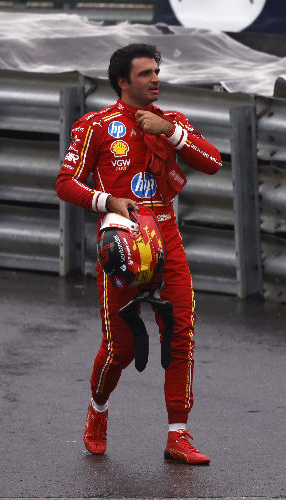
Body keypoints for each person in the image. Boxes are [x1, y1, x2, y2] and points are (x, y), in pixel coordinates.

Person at [55, 43, 222, 465]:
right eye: (146, 74)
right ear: (123, 82)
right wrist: (108, 201)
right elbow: (65, 183)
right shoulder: (94, 125)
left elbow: (213, 162)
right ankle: (97, 412)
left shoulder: (172, 121)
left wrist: (171, 133)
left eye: (157, 72)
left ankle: (177, 436)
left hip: (167, 235)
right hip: (122, 242)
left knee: (181, 332)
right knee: (120, 349)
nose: (156, 79)